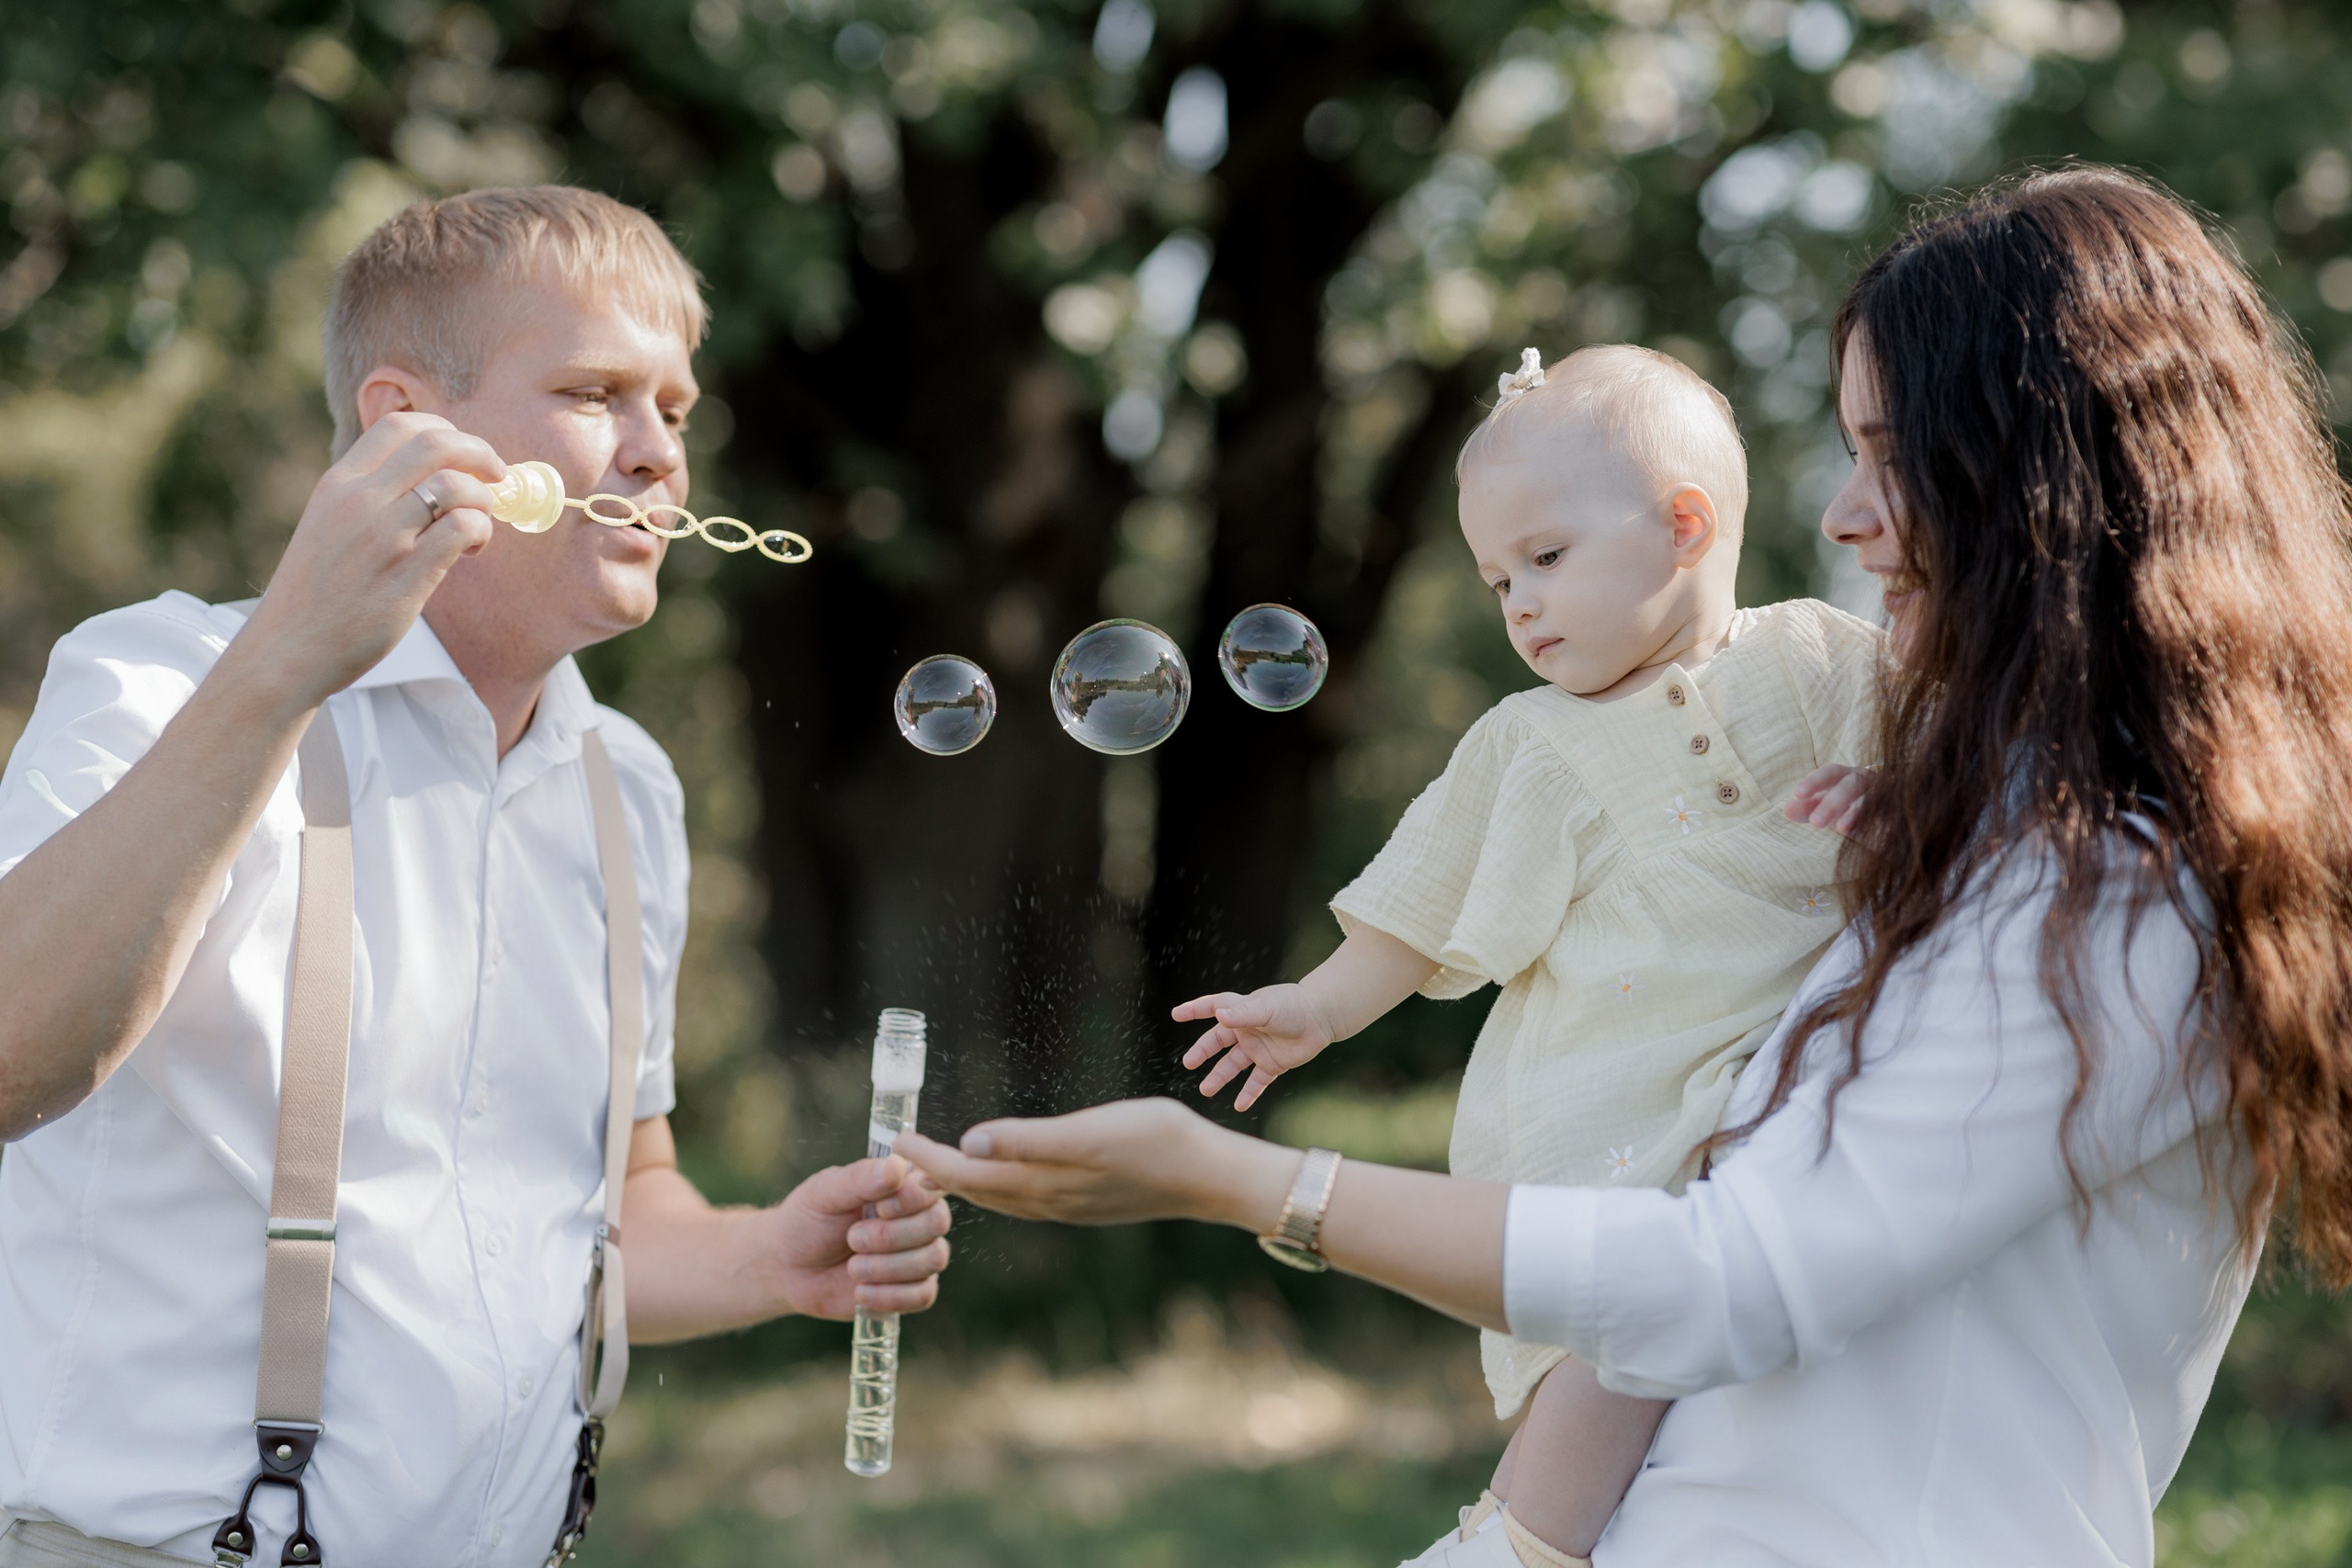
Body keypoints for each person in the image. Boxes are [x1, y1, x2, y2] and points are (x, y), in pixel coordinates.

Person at [902, 166, 2352, 1566]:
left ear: (2054, 479)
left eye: (1891, 461)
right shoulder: (1973, 831)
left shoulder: (2112, 887)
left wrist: (1243, 1184)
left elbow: (1735, 1276)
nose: (1843, 519)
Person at [0, 186, 951, 1567]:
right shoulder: (161, 683)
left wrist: (764, 1257)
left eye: (675, 411)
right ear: (404, 427)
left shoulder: (627, 788)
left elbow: (619, 1204)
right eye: (593, 393)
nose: (656, 458)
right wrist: (281, 665)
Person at [1172, 343, 1882, 1563]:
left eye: (1545, 560)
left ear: (1684, 526)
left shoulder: (1818, 658)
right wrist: (1319, 1008)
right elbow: (1421, 901)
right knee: (1616, 1323)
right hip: (1620, 1091)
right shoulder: (1529, 743)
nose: (1520, 604)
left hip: (1786, 1073)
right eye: (1497, 580)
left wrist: (1903, 801)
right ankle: (1519, 1541)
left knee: (1759, 1313)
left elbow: (1951, 761)